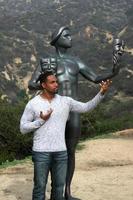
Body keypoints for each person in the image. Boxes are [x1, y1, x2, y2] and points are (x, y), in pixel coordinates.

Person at [28, 26, 124, 200]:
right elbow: (31, 84)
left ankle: (67, 193)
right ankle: (54, 190)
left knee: (70, 151)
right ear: (57, 40)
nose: (70, 38)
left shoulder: (76, 62)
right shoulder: (46, 61)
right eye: (66, 35)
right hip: (53, 110)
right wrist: (43, 80)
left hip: (72, 111)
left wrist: (114, 70)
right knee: (51, 150)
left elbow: (95, 78)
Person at [20, 71, 111, 200]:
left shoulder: (66, 101)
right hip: (41, 153)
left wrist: (101, 93)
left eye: (57, 81)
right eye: (52, 82)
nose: (56, 84)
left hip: (61, 153)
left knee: (58, 188)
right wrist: (41, 121)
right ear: (43, 85)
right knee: (40, 188)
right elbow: (23, 128)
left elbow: (86, 107)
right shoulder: (33, 103)